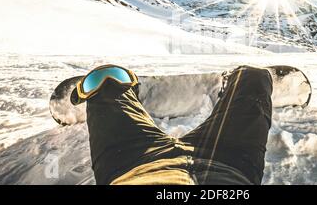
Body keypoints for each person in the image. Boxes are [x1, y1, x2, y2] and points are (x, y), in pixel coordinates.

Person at [73, 64, 273, 185]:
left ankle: (128, 93)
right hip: (230, 161)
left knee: (105, 85)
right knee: (254, 77)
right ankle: (232, 84)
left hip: (131, 162)